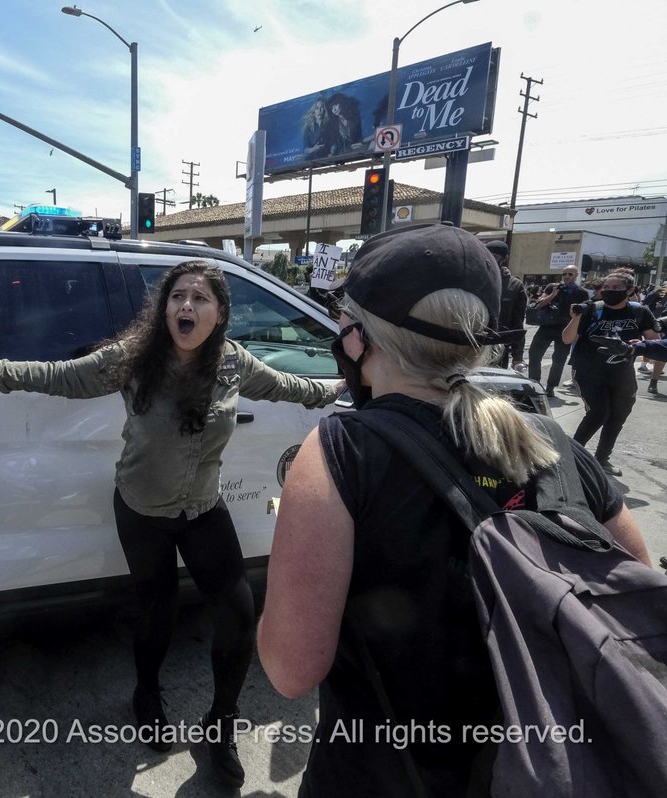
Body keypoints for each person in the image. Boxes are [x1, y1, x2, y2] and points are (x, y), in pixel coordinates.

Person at [0, 259, 340, 788]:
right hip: (142, 512)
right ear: (164, 308)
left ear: (220, 313)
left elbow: (286, 386)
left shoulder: (233, 363)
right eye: (178, 296)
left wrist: (341, 388)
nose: (186, 306)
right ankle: (147, 693)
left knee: (238, 616)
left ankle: (220, 725)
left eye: (201, 298)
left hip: (203, 509)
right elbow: (55, 377)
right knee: (155, 615)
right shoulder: (133, 359)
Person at [256, 223, 652, 797]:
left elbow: (290, 670)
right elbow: (629, 598)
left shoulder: (341, 449)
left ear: (359, 337)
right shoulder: (549, 440)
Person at [562, 271, 661, 474]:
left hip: (622, 373)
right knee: (598, 412)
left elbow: (654, 338)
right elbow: (567, 339)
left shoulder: (639, 312)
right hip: (589, 372)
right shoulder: (591, 309)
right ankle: (571, 456)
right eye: (606, 288)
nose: (610, 291)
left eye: (616, 288)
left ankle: (602, 459)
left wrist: (641, 343)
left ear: (630, 290)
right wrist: (575, 318)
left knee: (618, 415)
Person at [526, 265, 588, 399]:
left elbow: (584, 313)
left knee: (559, 359)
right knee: (534, 354)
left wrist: (577, 330)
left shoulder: (581, 292)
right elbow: (540, 304)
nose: (566, 276)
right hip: (547, 326)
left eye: (570, 274)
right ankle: (534, 382)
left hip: (565, 328)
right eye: (564, 273)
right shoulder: (552, 287)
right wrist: (553, 294)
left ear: (576, 275)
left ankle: (551, 387)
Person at [485, 240, 527, 371]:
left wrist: (517, 356)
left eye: (495, 256)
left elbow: (517, 323)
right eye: (487, 255)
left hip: (498, 345)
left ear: (504, 258)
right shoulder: (475, 278)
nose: (490, 259)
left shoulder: (514, 286)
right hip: (473, 344)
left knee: (494, 387)